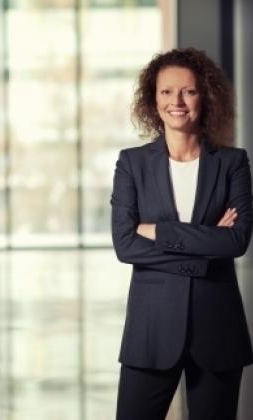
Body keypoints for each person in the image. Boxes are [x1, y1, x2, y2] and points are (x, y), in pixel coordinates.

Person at [111, 47, 253, 420]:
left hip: (217, 329)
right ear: (152, 100)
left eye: (188, 91)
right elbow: (125, 245)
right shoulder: (132, 164)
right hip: (151, 330)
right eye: (166, 91)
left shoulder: (232, 163)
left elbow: (237, 240)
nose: (177, 101)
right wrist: (206, 243)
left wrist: (159, 231)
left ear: (205, 97)